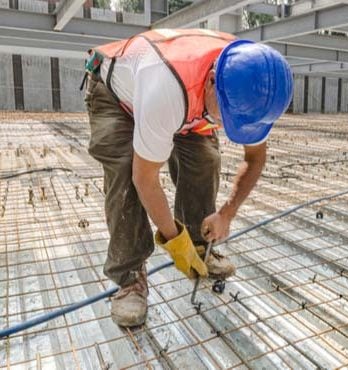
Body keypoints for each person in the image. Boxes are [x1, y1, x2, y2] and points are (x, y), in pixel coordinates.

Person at [83, 29, 293, 327]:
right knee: (125, 172)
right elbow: (145, 178)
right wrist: (172, 239)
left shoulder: (255, 83)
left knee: (206, 159)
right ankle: (129, 278)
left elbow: (255, 157)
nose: (226, 126)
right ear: (211, 82)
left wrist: (226, 214)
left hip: (187, 99)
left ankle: (199, 243)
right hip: (118, 95)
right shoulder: (166, 88)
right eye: (227, 118)